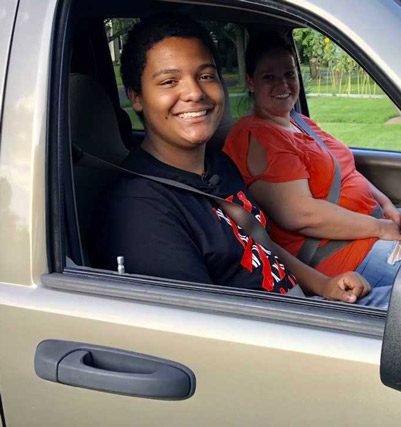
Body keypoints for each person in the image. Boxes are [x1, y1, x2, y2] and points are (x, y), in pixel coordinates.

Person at [93, 14, 375, 305]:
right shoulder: (141, 210)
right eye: (169, 81)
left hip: (304, 304)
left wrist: (325, 285)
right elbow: (200, 329)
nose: (194, 92)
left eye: (205, 76)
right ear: (136, 97)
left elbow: (265, 247)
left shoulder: (219, 166)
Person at [223, 32, 401, 294]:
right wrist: (379, 228)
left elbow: (346, 171)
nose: (283, 84)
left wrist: (387, 205)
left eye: (289, 74)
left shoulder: (300, 122)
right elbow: (300, 214)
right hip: (342, 255)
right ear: (251, 82)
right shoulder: (256, 136)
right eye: (269, 77)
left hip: (371, 228)